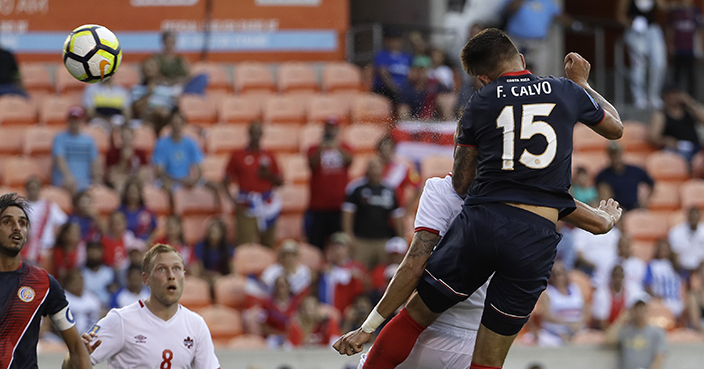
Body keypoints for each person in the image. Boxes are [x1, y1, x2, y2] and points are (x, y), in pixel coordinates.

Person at [334, 28, 623, 369]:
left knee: (414, 317)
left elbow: (461, 182)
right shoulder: (564, 90)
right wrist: (583, 85)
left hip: (485, 222)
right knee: (488, 360)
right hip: (535, 237)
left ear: (483, 78)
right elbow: (615, 128)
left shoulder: (482, 102)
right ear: (522, 59)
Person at [350, 167, 621, 369]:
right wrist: (605, 218)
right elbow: (594, 221)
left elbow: (414, 265)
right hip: (469, 339)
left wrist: (369, 326)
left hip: (430, 329)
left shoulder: (441, 190)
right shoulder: (524, 193)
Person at [65, 244, 221, 368]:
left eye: (176, 268)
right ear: (146, 279)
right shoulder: (120, 320)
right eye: (162, 269)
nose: (171, 275)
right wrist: (75, 356)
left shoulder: (196, 325)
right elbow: (71, 363)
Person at [0, 193, 91, 368]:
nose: (17, 228)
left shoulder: (43, 282)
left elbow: (77, 348)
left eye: (22, 223)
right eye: (7, 222)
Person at [224, 121, 283, 248]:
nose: (256, 135)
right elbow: (225, 180)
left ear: (262, 135)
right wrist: (233, 201)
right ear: (248, 134)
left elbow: (280, 181)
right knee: (244, 244)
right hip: (247, 205)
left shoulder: (269, 156)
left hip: (266, 203)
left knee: (268, 244)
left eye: (258, 133)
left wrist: (268, 175)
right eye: (253, 132)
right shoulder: (238, 155)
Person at [342, 157, 405, 269]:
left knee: (383, 275)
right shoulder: (356, 188)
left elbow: (397, 216)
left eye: (377, 167)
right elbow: (347, 214)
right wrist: (349, 236)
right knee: (358, 272)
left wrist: (401, 238)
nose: (374, 170)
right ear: (367, 170)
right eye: (371, 167)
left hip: (384, 241)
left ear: (382, 169)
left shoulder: (390, 190)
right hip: (361, 241)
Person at [306, 117, 354, 250]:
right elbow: (312, 164)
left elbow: (349, 161)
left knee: (338, 243)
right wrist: (322, 147)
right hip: (318, 205)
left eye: (333, 128)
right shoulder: (314, 148)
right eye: (328, 128)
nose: (330, 131)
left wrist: (336, 146)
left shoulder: (344, 147)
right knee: (315, 243)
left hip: (338, 205)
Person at [617, 0, 668, 109]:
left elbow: (664, 7)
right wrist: (632, 24)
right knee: (638, 65)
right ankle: (639, 97)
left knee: (659, 63)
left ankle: (654, 95)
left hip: (652, 30)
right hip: (634, 31)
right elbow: (620, 16)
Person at [502, 0, 573, 77]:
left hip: (538, 44)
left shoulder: (547, 2)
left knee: (542, 74)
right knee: (513, 73)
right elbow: (509, 10)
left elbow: (559, 16)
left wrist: (576, 25)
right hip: (516, 43)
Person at [605, 294, 667, 369]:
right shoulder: (625, 331)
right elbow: (608, 340)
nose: (640, 311)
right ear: (632, 310)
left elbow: (659, 358)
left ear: (647, 309)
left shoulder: (657, 332)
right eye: (637, 308)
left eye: (642, 307)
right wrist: (621, 320)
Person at [537, 261, 589, 346]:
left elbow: (586, 309)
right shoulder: (548, 292)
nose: (561, 277)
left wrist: (580, 322)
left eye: (563, 273)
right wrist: (568, 324)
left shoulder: (576, 289)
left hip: (577, 329)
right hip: (555, 332)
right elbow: (547, 316)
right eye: (558, 274)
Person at [52, 106, 102, 194]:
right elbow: (59, 159)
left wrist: (97, 180)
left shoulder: (89, 140)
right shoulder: (59, 138)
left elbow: (95, 162)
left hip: (85, 181)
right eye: (72, 119)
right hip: (65, 180)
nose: (75, 123)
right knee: (72, 186)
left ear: (82, 121)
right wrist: (68, 176)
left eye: (77, 120)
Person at [152, 109, 203, 193]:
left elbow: (199, 169)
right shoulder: (161, 144)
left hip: (186, 179)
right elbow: (159, 171)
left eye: (178, 123)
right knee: (167, 186)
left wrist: (192, 180)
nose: (176, 126)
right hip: (170, 179)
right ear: (170, 124)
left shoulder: (191, 143)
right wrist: (177, 180)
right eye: (174, 123)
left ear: (183, 124)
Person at [648, 85, 704, 162]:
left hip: (695, 147)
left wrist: (691, 103)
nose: (673, 97)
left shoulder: (689, 111)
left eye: (675, 94)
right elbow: (654, 137)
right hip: (676, 149)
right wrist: (666, 141)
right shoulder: (661, 115)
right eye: (670, 95)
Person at [318, 233, 367, 315]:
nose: (338, 251)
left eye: (341, 247)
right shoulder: (324, 268)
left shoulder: (356, 267)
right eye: (335, 248)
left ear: (348, 249)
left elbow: (364, 289)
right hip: (328, 311)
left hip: (350, 311)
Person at [596, 142, 654, 211]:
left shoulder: (635, 170)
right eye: (613, 154)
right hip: (616, 209)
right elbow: (602, 194)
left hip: (634, 207)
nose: (615, 157)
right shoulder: (603, 175)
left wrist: (645, 201)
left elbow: (651, 183)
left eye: (617, 154)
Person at [23, 176, 68, 265]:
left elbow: (63, 222)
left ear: (40, 189)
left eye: (35, 188)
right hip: (27, 249)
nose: (33, 191)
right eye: (31, 188)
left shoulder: (49, 206)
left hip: (46, 249)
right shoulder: (21, 206)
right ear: (26, 189)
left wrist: (56, 236)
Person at [667, 0, 703, 97]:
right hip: (678, 48)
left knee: (691, 76)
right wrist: (670, 44)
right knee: (676, 76)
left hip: (690, 49)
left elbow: (698, 31)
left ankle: (692, 99)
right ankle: (674, 99)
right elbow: (670, 29)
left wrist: (698, 49)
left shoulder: (695, 11)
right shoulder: (675, 12)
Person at [376, 136, 422, 209]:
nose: (385, 153)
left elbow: (418, 187)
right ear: (379, 151)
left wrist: (408, 210)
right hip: (376, 206)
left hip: (396, 210)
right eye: (383, 150)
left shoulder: (403, 167)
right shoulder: (373, 167)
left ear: (393, 149)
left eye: (388, 149)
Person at [644, 239, 685, 319]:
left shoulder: (675, 266)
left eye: (665, 249)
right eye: (661, 249)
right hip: (660, 301)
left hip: (676, 301)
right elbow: (647, 285)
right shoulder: (652, 265)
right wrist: (655, 297)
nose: (663, 251)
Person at [372, 28, 413, 104]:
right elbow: (383, 74)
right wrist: (395, 89)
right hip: (385, 89)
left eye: (397, 40)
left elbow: (411, 74)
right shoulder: (382, 55)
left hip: (402, 90)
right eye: (392, 40)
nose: (394, 42)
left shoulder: (407, 56)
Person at [105, 126, 150, 193]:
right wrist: (124, 160)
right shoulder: (112, 153)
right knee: (119, 186)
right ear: (121, 138)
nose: (126, 140)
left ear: (133, 137)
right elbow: (112, 175)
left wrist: (133, 181)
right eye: (124, 137)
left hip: (135, 181)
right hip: (121, 181)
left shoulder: (140, 153)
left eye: (128, 137)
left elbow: (143, 173)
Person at [192, 218, 234, 283]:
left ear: (222, 234)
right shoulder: (200, 246)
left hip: (223, 279)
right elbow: (199, 269)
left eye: (216, 232)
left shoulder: (228, 248)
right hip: (205, 278)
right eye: (211, 232)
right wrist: (213, 275)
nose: (213, 235)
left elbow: (232, 270)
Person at [63, 269, 104, 335]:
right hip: (69, 338)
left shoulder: (92, 298)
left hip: (92, 335)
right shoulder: (62, 299)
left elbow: (100, 319)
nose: (79, 282)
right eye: (75, 280)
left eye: (81, 279)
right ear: (68, 283)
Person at [117, 178, 157, 243]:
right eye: (130, 192)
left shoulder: (147, 212)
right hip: (124, 244)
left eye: (135, 192)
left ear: (140, 193)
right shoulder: (120, 211)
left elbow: (154, 230)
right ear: (126, 193)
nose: (133, 195)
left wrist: (148, 242)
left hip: (143, 245)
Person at [668, 206, 704, 278]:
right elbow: (673, 254)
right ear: (687, 216)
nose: (693, 218)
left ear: (700, 217)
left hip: (701, 268)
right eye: (691, 216)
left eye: (696, 216)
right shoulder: (676, 232)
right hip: (681, 267)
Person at [592, 265, 632, 330]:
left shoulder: (628, 293)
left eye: (620, 276)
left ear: (623, 277)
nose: (617, 279)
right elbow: (602, 321)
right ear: (611, 277)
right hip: (604, 329)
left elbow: (628, 316)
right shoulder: (602, 294)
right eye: (615, 276)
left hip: (622, 329)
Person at [82, 241, 117, 309]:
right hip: (87, 307)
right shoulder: (81, 272)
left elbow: (114, 292)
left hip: (107, 307)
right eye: (91, 251)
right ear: (86, 252)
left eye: (97, 251)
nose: (94, 254)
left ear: (102, 253)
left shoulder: (109, 272)